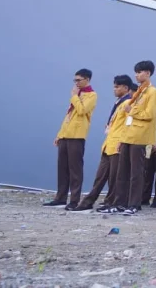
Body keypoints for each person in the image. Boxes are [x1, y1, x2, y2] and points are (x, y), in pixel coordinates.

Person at [74, 74, 132, 212]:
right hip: (108, 144)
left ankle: (111, 202)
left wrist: (123, 141)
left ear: (125, 87)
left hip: (117, 144)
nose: (114, 89)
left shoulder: (128, 103)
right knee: (100, 177)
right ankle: (89, 201)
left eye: (117, 87)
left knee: (114, 178)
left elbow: (129, 124)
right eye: (114, 86)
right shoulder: (118, 102)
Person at [45, 68, 98, 210]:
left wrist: (74, 96)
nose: (76, 83)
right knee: (62, 168)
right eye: (75, 80)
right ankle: (60, 197)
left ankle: (74, 200)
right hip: (66, 135)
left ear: (87, 79)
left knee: (75, 169)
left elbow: (82, 111)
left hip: (77, 136)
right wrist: (59, 134)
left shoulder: (91, 95)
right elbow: (68, 116)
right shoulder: (78, 94)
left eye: (79, 80)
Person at [114, 61, 156, 215]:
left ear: (148, 73)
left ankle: (134, 204)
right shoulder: (139, 91)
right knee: (122, 172)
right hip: (128, 135)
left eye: (139, 72)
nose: (137, 75)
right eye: (136, 72)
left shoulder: (152, 92)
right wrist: (121, 138)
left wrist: (131, 111)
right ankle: (120, 202)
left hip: (139, 137)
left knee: (136, 173)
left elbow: (149, 115)